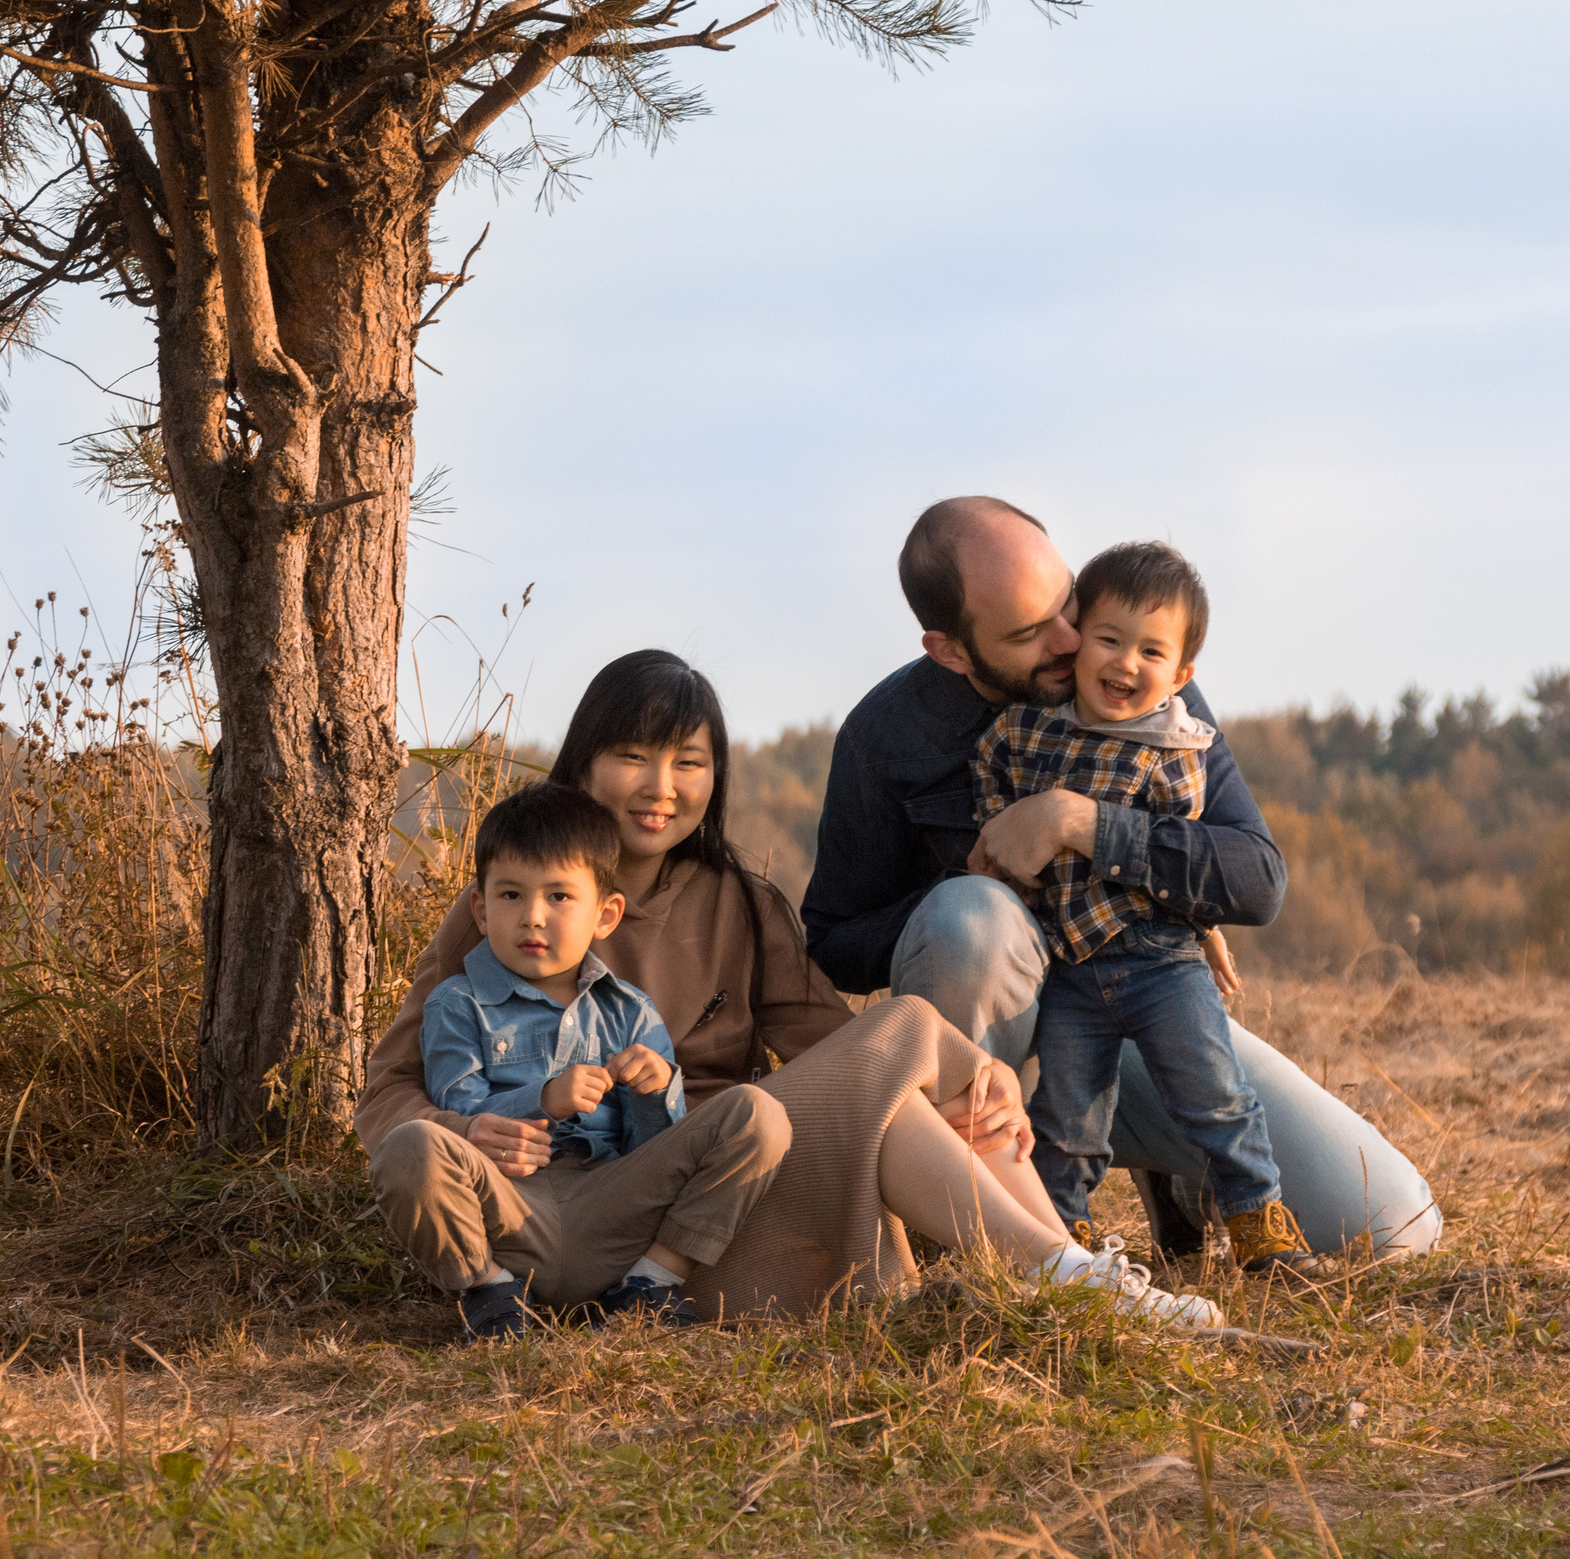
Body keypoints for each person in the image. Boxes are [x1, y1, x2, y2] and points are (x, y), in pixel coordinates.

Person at [361, 650, 1221, 1329]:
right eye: (632, 756)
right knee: (911, 1033)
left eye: (688, 762)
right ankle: (1072, 1275)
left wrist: (971, 1081)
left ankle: (1071, 1274)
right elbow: (386, 1095)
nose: (662, 788)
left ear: (715, 775)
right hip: (589, 1212)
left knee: (902, 1059)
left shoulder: (742, 902)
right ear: (582, 763)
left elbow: (834, 1059)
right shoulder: (512, 908)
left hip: (727, 1193)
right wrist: (465, 1126)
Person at [803, 497, 1442, 1258]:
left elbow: (1257, 876)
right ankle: (965, 1218)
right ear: (952, 651)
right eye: (1029, 633)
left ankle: (1182, 1174)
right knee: (971, 919)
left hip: (1149, 1017)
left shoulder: (1139, 672)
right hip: (990, 1052)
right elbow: (836, 941)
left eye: (1065, 602)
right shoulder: (884, 737)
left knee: (1392, 1223)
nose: (1074, 641)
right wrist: (969, 892)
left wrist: (1078, 823)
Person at [974, 540, 1325, 1275]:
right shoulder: (1022, 732)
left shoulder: (1175, 746)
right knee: (1067, 1118)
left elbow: (1192, 855)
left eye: (1150, 651)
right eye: (1108, 639)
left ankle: (1259, 1222)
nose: (1125, 663)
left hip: (1160, 962)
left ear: (1181, 675)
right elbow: (996, 806)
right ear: (1074, 642)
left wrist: (1203, 922)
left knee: (1214, 1093)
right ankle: (1059, 1236)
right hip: (1069, 969)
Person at [414, 784, 783, 1338]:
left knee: (758, 1114)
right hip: (511, 1212)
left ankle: (650, 1284)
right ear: (480, 910)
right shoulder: (457, 1002)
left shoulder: (630, 1012)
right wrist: (543, 1101)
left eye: (559, 897)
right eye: (510, 896)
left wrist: (655, 1094)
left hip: (615, 1213)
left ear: (605, 914)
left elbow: (658, 1155)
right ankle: (489, 1293)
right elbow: (460, 1111)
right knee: (412, 1146)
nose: (533, 917)